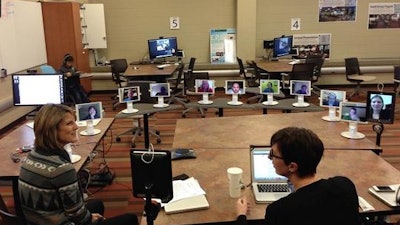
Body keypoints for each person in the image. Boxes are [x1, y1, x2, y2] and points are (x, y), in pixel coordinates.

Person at [18, 104, 138, 225]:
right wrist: (91, 219)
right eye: (69, 123)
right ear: (52, 129)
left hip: (39, 220)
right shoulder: (62, 169)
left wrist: (89, 216)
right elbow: (77, 216)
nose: (76, 127)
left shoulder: (32, 155)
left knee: (97, 204)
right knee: (130, 219)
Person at [235, 127, 359, 225]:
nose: (269, 158)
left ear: (292, 167)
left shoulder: (279, 210)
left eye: (273, 154)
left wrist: (241, 215)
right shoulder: (344, 185)